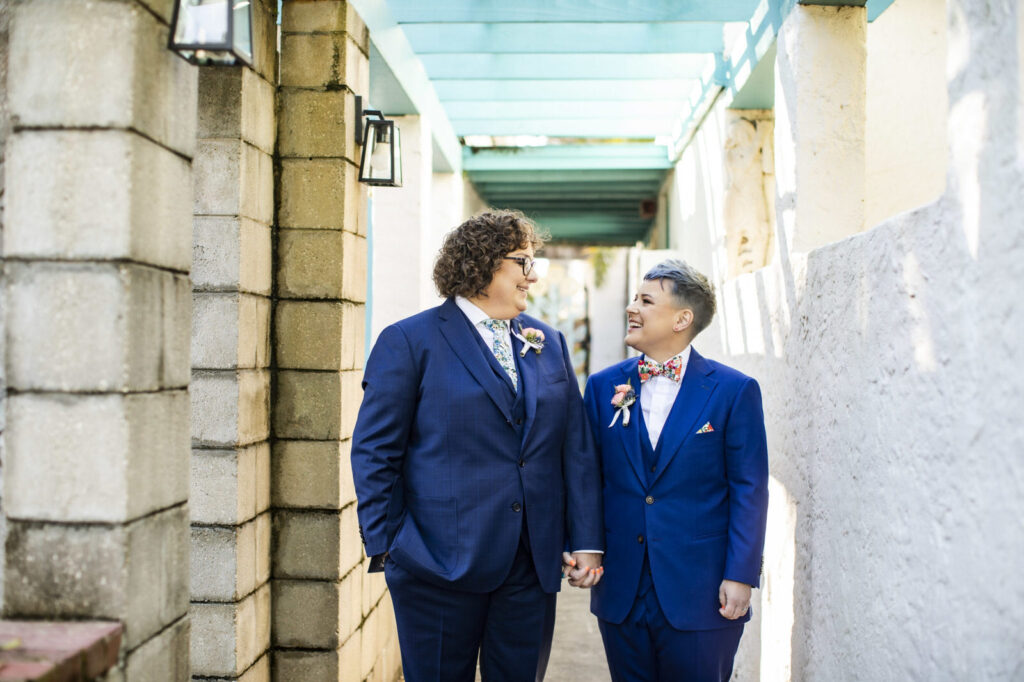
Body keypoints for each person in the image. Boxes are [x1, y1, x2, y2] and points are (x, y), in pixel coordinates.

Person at [351, 210, 604, 682]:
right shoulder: (409, 341)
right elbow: (375, 451)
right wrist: (392, 546)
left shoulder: (548, 342)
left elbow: (576, 449)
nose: (533, 275)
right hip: (435, 563)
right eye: (523, 261)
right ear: (482, 263)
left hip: (531, 563)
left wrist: (586, 541)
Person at [578, 259, 769, 681]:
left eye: (646, 301)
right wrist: (585, 546)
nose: (632, 308)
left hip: (702, 591)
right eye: (634, 298)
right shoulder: (602, 387)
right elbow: (587, 477)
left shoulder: (734, 391)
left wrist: (740, 575)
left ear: (682, 319)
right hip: (622, 590)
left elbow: (749, 489)